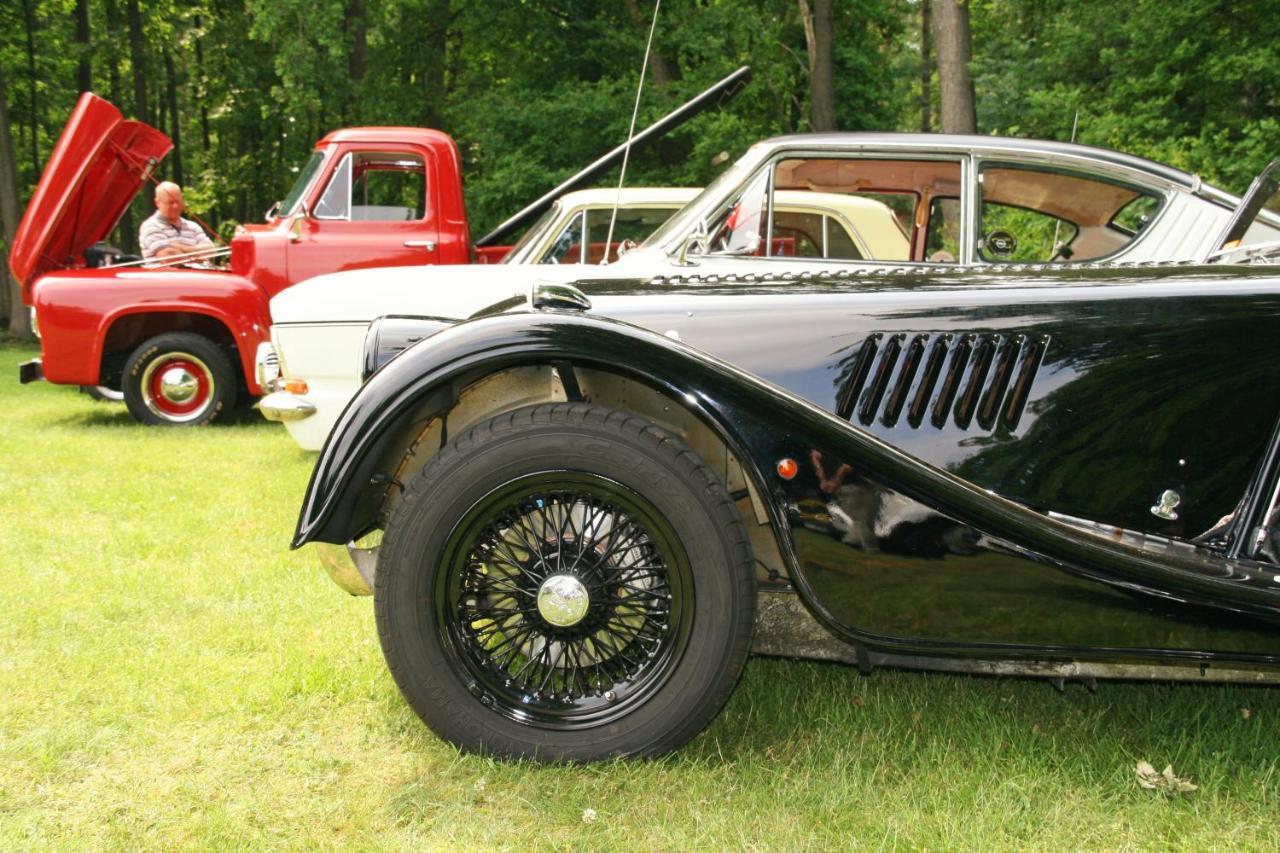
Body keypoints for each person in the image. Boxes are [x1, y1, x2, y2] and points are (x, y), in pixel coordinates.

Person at [139, 181, 215, 260]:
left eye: (178, 201)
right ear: (158, 203)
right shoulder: (150, 226)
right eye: (170, 202)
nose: (175, 206)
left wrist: (181, 248)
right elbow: (168, 257)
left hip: (202, 271)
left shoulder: (193, 226)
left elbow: (212, 250)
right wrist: (197, 254)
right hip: (169, 272)